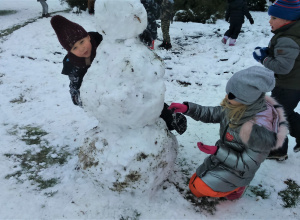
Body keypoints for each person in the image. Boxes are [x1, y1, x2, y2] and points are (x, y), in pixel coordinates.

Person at [50, 15, 187, 135]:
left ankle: (170, 119)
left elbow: (125, 37)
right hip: (106, 98)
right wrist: (90, 100)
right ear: (70, 51)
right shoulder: (73, 66)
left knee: (143, 96)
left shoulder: (103, 40)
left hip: (123, 78)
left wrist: (140, 34)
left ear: (88, 36)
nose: (82, 48)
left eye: (82, 42)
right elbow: (75, 93)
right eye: (74, 48)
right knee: (121, 117)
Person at [168, 66, 288, 200]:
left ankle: (238, 187)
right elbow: (212, 114)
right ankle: (225, 185)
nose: (226, 97)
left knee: (197, 188)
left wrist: (217, 151)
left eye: (231, 95)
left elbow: (247, 164)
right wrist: (187, 109)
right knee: (195, 184)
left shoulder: (260, 131)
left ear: (246, 98)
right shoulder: (238, 107)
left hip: (240, 170)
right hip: (225, 156)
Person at [253, 0, 300, 160]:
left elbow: (282, 67)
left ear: (287, 19)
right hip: (294, 83)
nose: (269, 21)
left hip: (288, 85)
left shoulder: (287, 38)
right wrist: (271, 52)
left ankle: (278, 150)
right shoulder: (293, 33)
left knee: (277, 115)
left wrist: (263, 59)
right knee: (283, 112)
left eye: (274, 18)